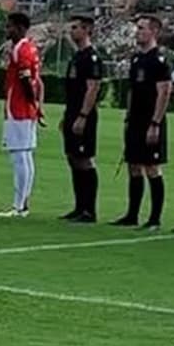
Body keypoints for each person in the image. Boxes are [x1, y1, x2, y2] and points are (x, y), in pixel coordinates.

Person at [112, 16, 172, 229]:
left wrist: (155, 123)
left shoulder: (159, 60)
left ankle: (155, 218)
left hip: (150, 121)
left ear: (153, 32)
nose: (137, 32)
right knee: (134, 167)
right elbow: (132, 91)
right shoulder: (137, 59)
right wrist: (128, 116)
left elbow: (164, 92)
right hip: (135, 120)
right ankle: (132, 214)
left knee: (152, 168)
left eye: (141, 28)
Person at [0, 12, 43, 218]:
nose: (7, 30)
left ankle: (19, 205)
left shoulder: (20, 49)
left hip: (18, 108)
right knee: (26, 154)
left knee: (19, 155)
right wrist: (37, 104)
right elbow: (37, 80)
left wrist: (31, 101)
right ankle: (23, 203)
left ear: (20, 28)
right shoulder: (31, 48)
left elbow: (25, 79)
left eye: (10, 27)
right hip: (27, 109)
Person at [60, 15, 104, 224]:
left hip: (83, 115)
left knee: (84, 159)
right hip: (72, 112)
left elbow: (92, 87)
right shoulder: (76, 57)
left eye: (76, 27)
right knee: (72, 158)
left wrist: (83, 116)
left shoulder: (91, 58)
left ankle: (90, 209)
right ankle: (79, 206)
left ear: (87, 30)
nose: (72, 31)